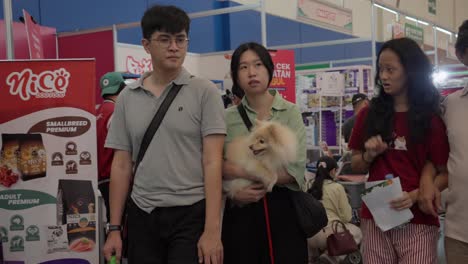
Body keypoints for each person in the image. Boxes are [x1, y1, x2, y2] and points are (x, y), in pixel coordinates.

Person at [102, 5, 226, 264]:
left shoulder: (205, 92)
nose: (174, 47)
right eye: (164, 39)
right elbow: (122, 165)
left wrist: (213, 230)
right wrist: (114, 229)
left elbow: (213, 161)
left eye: (180, 39)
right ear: (146, 45)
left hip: (191, 214)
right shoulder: (127, 98)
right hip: (142, 215)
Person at [348, 37, 449, 264]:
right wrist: (369, 154)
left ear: (410, 71)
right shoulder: (368, 115)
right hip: (376, 216)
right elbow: (356, 163)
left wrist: (417, 195)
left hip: (418, 219)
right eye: (381, 69)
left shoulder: (430, 119)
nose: (384, 76)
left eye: (391, 70)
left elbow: (445, 172)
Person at [221, 42, 308, 264]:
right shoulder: (226, 117)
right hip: (240, 213)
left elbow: (296, 169)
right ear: (235, 76)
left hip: (284, 213)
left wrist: (247, 172)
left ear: (269, 69)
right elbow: (215, 166)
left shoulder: (290, 112)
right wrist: (232, 194)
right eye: (243, 67)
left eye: (258, 64)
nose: (252, 72)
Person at [419, 20, 468, 264]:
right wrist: (428, 180)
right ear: (461, 55)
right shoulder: (449, 106)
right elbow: (436, 156)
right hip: (459, 230)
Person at [307, 156, 362, 263]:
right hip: (330, 235)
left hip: (310, 237)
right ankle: (330, 257)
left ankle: (313, 259)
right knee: (358, 233)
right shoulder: (337, 187)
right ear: (332, 171)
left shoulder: (309, 185)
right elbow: (347, 217)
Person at [96, 72, 126, 223]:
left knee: (110, 223)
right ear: (122, 89)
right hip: (115, 179)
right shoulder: (116, 113)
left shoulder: (97, 112)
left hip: (100, 179)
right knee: (119, 225)